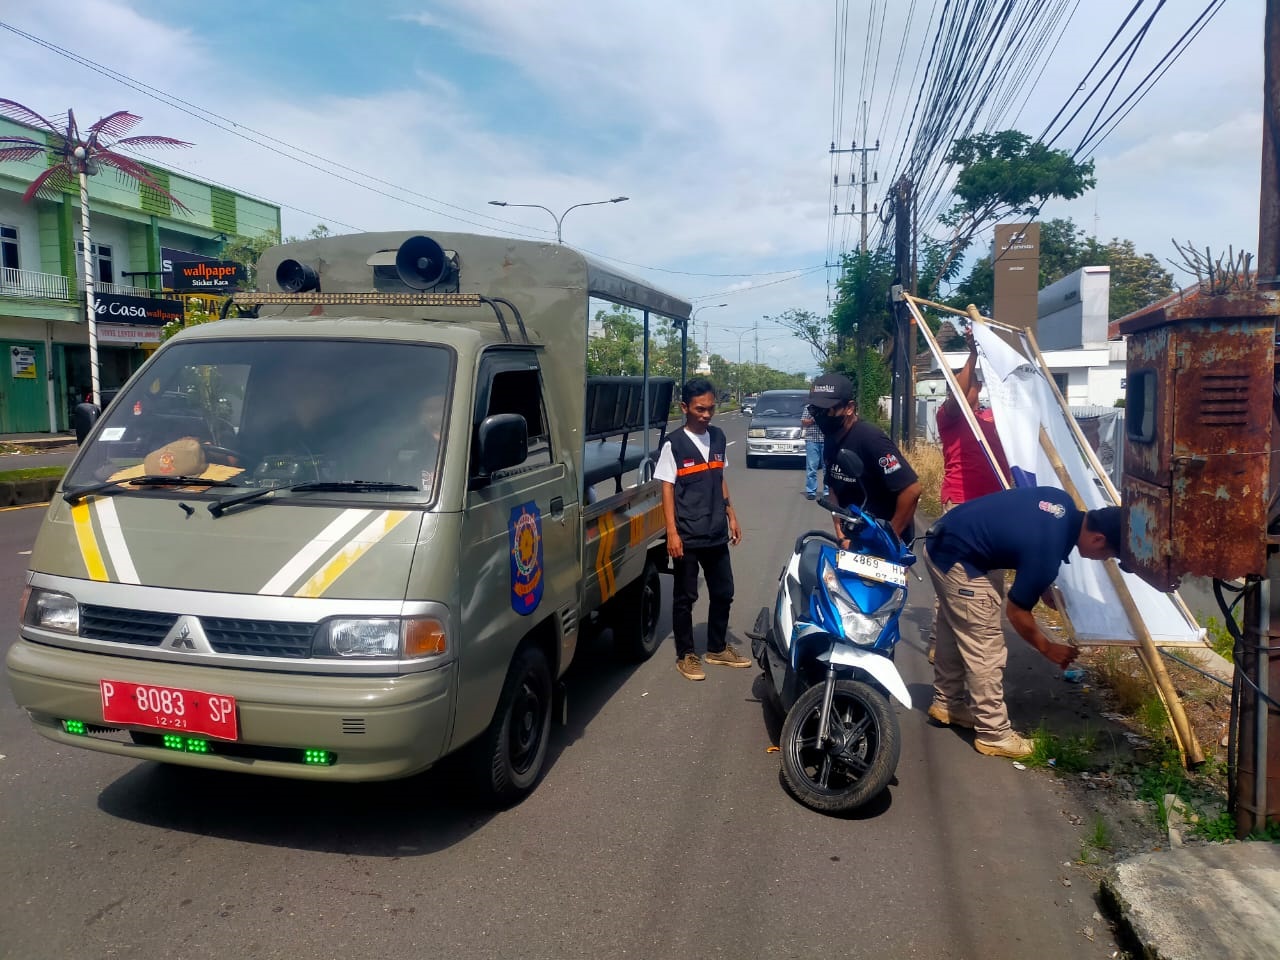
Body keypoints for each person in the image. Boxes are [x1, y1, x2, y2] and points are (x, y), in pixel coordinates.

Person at [923, 486, 1125, 759]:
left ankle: (948, 704)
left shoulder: (1062, 503)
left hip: (943, 540)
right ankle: (994, 734)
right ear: (1099, 539)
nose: (1105, 560)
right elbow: (1017, 613)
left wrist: (1042, 586)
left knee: (953, 626)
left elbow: (1023, 535)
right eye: (1110, 554)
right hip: (960, 558)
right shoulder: (1048, 552)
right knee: (984, 647)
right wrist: (1047, 647)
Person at [655, 377, 750, 681]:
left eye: (710, 408)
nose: (706, 414)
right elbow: (667, 488)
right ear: (685, 407)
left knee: (724, 591)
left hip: (715, 530)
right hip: (687, 533)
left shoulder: (719, 437)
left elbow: (719, 476)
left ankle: (717, 647)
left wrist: (731, 514)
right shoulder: (674, 443)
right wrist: (671, 532)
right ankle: (686, 654)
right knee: (685, 597)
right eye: (700, 409)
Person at [927, 327, 1011, 662]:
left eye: (976, 385)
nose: (971, 391)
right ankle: (942, 642)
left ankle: (980, 637)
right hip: (960, 503)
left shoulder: (995, 420)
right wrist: (973, 353)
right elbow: (959, 394)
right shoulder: (950, 419)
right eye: (967, 386)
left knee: (992, 578)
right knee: (956, 576)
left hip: (996, 508)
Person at [807, 372, 921, 543]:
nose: (821, 417)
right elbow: (833, 488)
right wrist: (840, 534)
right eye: (815, 410)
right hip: (854, 535)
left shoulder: (870, 439)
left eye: (828, 411)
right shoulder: (831, 438)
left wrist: (888, 539)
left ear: (849, 408)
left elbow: (911, 489)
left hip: (885, 534)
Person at [800, 402, 829, 500]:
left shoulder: (828, 406)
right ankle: (811, 491)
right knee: (812, 467)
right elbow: (803, 422)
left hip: (826, 440)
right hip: (812, 440)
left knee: (827, 467)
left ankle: (827, 492)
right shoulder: (808, 407)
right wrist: (815, 419)